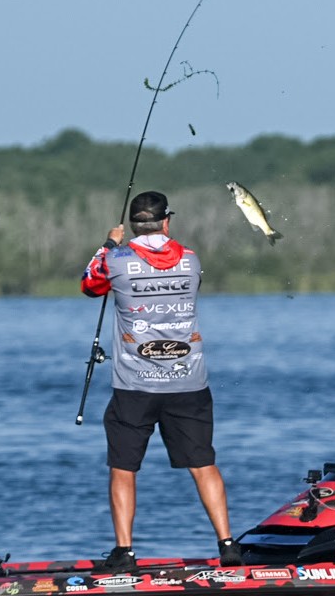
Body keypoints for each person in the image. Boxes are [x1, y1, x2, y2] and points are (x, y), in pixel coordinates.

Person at [80, 190, 240, 570]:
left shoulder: (116, 260)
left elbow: (90, 285)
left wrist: (108, 244)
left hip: (135, 385)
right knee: (203, 463)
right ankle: (228, 545)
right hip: (189, 382)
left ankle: (125, 552)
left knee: (123, 467)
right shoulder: (190, 259)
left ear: (135, 225)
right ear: (166, 221)